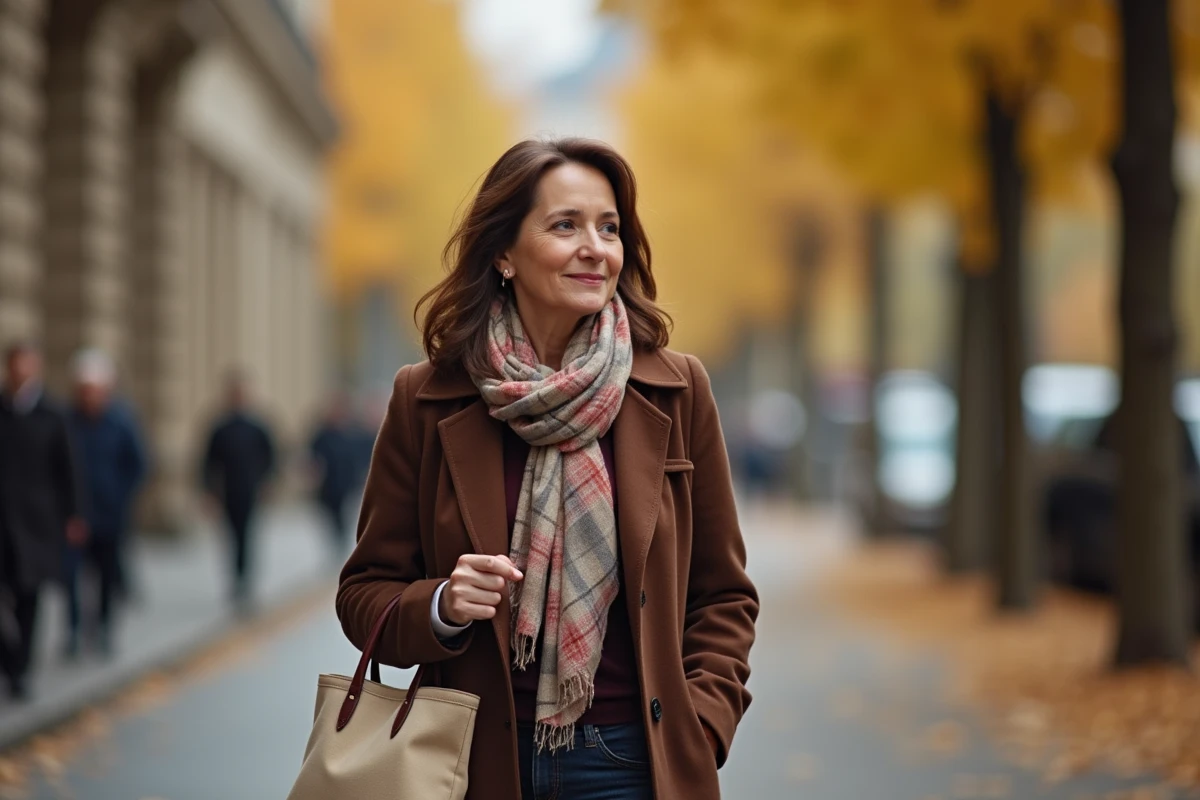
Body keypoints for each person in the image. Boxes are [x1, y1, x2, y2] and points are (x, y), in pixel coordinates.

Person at [337, 139, 759, 800]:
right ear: (503, 254)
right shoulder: (425, 398)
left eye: (610, 228)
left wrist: (701, 726)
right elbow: (364, 594)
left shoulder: (676, 391)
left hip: (635, 764)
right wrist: (443, 604)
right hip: (472, 766)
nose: (596, 247)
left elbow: (724, 594)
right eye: (566, 225)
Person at [0, 341, 86, 699]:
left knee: (28, 596)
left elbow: (68, 469)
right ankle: (10, 659)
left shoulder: (53, 415)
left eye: (28, 364)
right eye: (16, 364)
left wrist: (74, 514)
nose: (21, 371)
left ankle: (21, 669)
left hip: (37, 522)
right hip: (1, 520)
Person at [64, 349, 147, 659]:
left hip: (110, 515)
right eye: (85, 390)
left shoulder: (122, 422)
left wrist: (120, 496)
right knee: (70, 578)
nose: (90, 397)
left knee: (106, 577)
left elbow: (137, 465)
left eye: (96, 390)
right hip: (74, 516)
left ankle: (104, 631)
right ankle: (73, 632)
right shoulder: (67, 421)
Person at [201, 371, 276, 609]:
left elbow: (271, 457)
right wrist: (208, 492)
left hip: (250, 491)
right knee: (231, 537)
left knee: (247, 536)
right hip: (227, 492)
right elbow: (207, 462)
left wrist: (267, 483)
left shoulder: (258, 427)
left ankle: (245, 581)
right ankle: (235, 578)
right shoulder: (220, 428)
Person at [308, 392, 364, 558]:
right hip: (327, 483)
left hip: (347, 482)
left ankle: (341, 544)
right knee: (330, 515)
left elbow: (360, 456)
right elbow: (313, 456)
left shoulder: (353, 432)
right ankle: (335, 543)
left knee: (344, 515)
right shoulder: (322, 434)